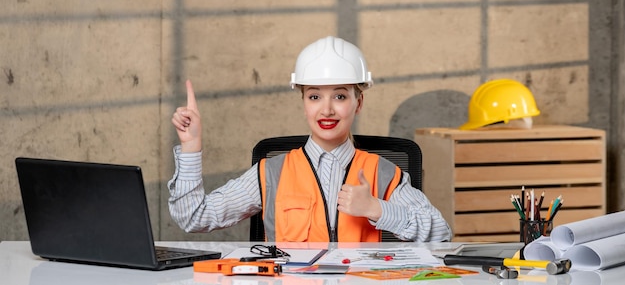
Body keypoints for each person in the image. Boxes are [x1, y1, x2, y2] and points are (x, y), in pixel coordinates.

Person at [168, 36, 451, 242]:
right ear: (304, 102)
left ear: (358, 102)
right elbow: (194, 217)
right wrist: (190, 148)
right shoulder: (270, 174)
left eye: (340, 96)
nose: (326, 109)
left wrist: (376, 208)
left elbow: (441, 233)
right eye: (315, 96)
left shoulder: (383, 173)